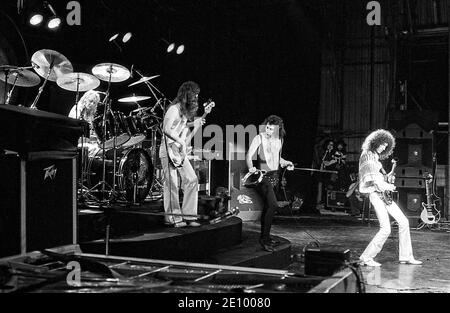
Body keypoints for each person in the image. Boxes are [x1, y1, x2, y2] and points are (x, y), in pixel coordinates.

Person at [358, 129, 422, 266]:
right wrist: (388, 186)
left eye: (386, 147)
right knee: (385, 228)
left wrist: (388, 179)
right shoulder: (367, 155)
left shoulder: (375, 157)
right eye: (382, 145)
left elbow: (380, 178)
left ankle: (406, 256)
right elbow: (372, 179)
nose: (383, 148)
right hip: (376, 195)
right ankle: (366, 257)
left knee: (404, 222)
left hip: (384, 196)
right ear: (375, 142)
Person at [159, 81, 204, 227]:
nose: (196, 97)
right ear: (188, 94)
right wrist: (182, 141)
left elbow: (182, 125)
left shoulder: (183, 112)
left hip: (178, 150)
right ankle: (173, 218)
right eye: (195, 94)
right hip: (168, 149)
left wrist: (194, 124)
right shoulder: (173, 109)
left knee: (191, 179)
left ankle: (189, 216)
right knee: (172, 184)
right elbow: (166, 128)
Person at [246, 115, 294, 252]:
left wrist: (286, 163)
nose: (268, 131)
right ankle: (264, 239)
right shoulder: (259, 138)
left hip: (275, 176)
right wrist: (251, 167)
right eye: (267, 127)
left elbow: (278, 159)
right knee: (273, 205)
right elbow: (249, 155)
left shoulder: (280, 140)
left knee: (269, 207)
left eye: (271, 129)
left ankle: (265, 237)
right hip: (262, 176)